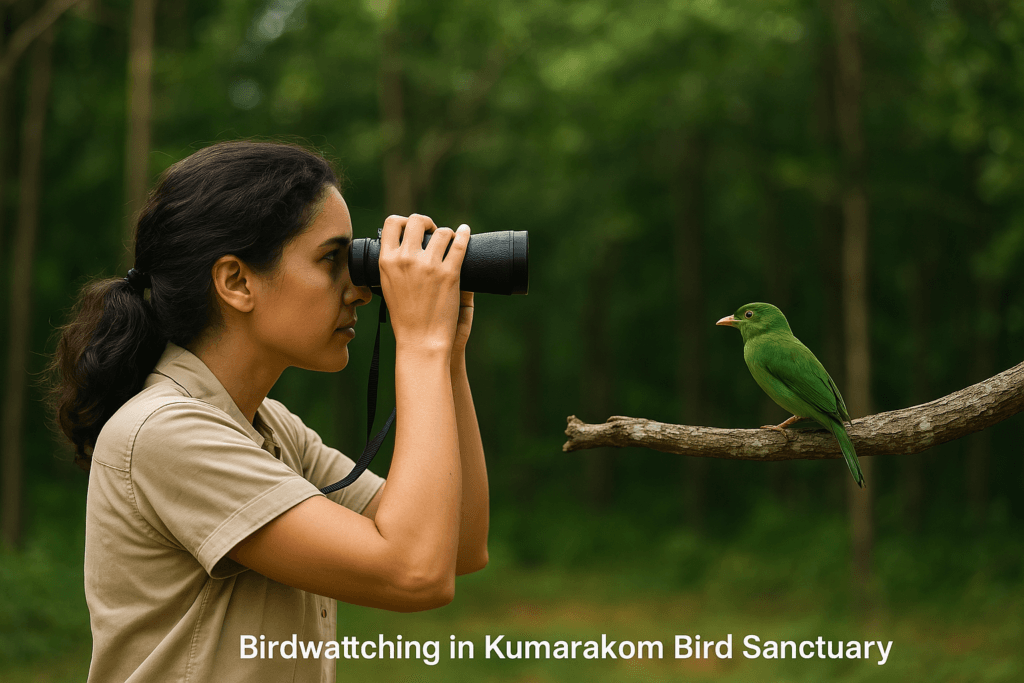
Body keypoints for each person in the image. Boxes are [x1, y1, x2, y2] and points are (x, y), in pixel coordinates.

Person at [48, 140, 489, 682]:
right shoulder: (165, 431)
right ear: (237, 281)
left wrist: (448, 356)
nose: (361, 290)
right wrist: (421, 344)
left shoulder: (269, 427)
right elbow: (413, 573)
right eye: (333, 259)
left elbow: (459, 547)